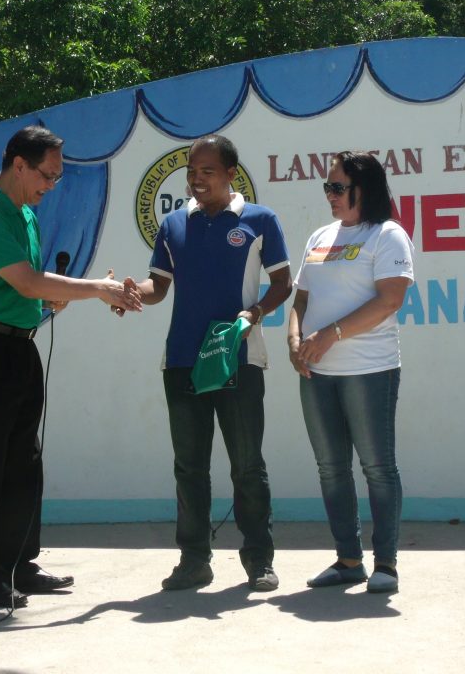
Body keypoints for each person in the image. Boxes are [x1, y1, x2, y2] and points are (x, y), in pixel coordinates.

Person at [0, 125, 141, 609]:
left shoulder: (25, 215)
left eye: (55, 178)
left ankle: (19, 563)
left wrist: (55, 303)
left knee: (24, 462)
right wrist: (94, 288)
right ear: (18, 165)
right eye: (47, 176)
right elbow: (28, 282)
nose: (51, 186)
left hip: (18, 348)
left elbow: (25, 293)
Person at [124, 134, 292, 592]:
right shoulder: (174, 224)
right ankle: (193, 560)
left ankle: (259, 560)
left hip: (238, 358)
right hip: (182, 361)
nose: (197, 180)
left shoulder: (259, 220)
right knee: (189, 467)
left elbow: (283, 283)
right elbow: (159, 287)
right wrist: (131, 293)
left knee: (246, 465)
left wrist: (254, 313)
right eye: (191, 173)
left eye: (207, 171)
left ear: (231, 174)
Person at [287, 150, 415, 594]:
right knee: (330, 468)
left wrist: (330, 335)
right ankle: (347, 560)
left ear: (366, 189)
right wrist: (294, 339)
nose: (331, 196)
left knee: (378, 467)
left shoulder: (388, 236)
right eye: (328, 187)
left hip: (369, 371)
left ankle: (386, 564)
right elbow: (300, 299)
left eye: (339, 188)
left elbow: (389, 301)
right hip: (316, 373)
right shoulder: (320, 236)